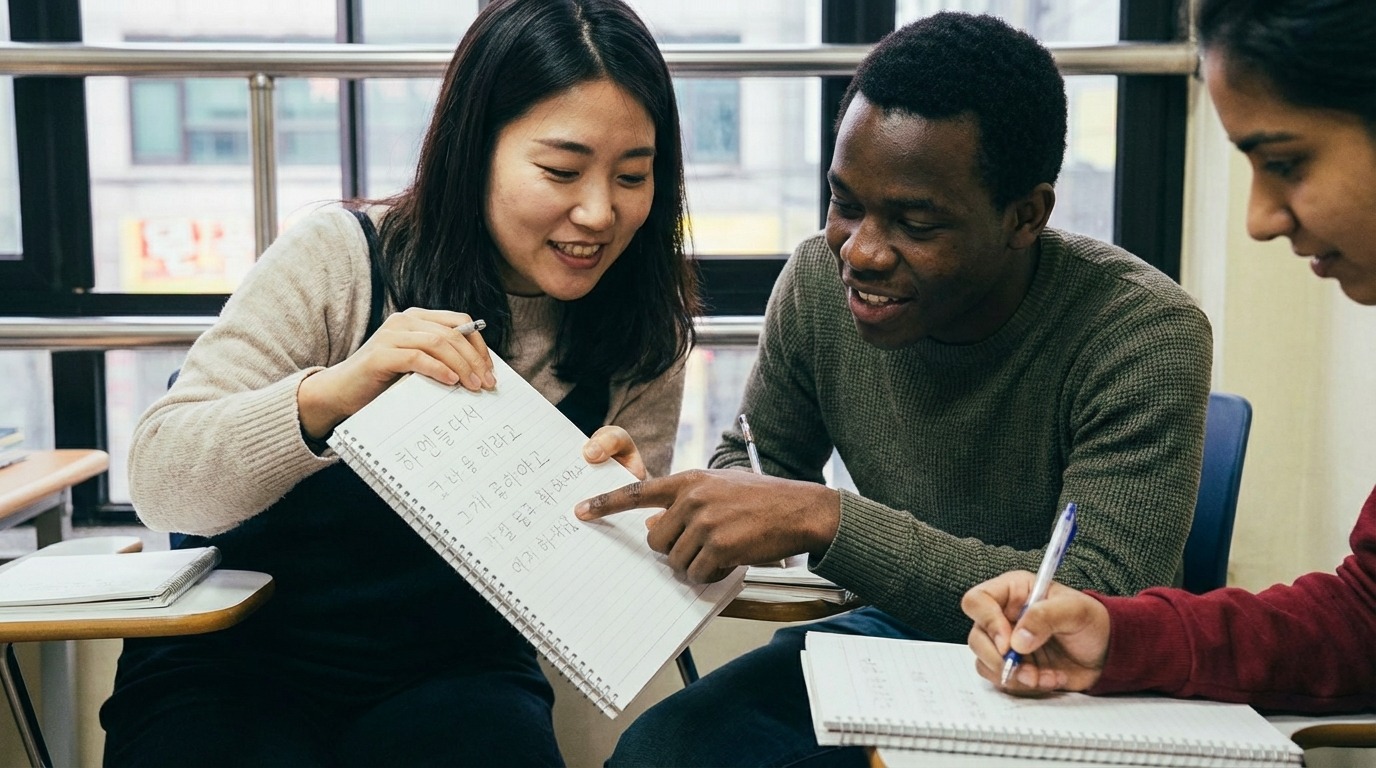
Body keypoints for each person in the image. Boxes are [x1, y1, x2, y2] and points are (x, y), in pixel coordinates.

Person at [580, 11, 1215, 767]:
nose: (862, 252)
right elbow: (754, 458)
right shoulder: (818, 280)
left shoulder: (1143, 333)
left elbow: (1095, 601)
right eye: (846, 203)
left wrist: (827, 521)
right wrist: (711, 506)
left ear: (1026, 217)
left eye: (914, 221)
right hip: (891, 640)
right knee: (661, 752)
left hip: (1062, 684)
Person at [98, 0, 695, 765]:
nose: (598, 212)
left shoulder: (643, 326)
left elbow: (607, 616)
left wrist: (627, 533)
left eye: (633, 176)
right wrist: (334, 394)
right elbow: (162, 482)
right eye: (561, 170)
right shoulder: (340, 259)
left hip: (456, 672)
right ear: (475, 148)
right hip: (232, 659)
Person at [962, 0, 1376, 715]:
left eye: (1286, 162)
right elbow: (1365, 621)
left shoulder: (1142, 327)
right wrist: (1119, 635)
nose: (1258, 219)